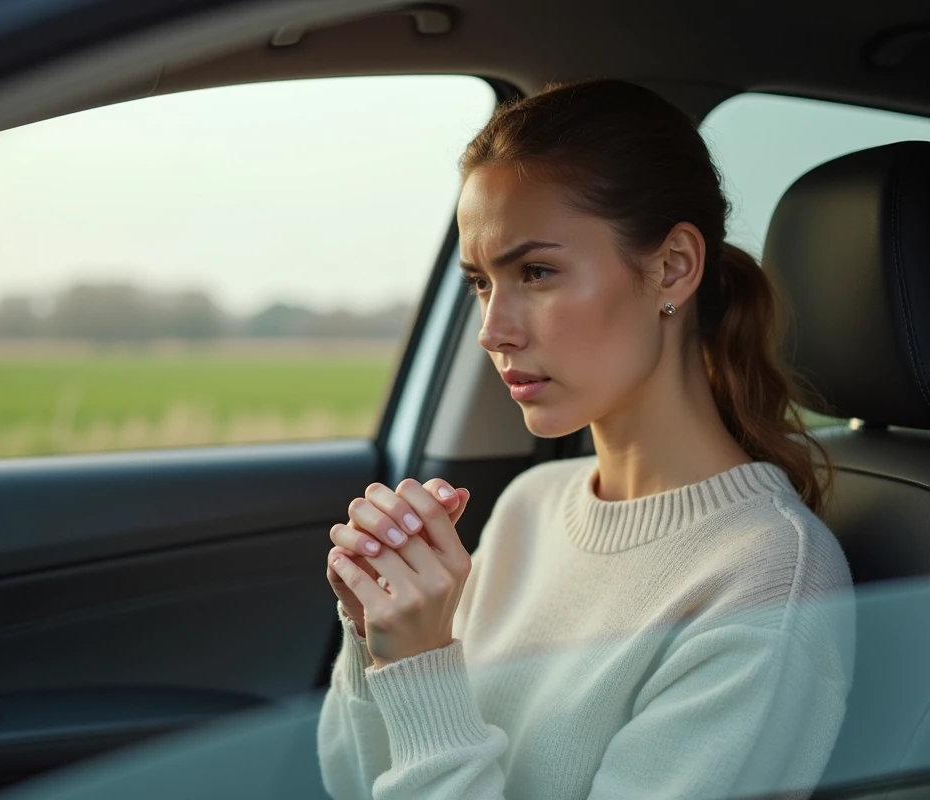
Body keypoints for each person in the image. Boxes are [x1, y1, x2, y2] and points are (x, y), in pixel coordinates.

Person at [315, 79, 855, 800]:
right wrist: (377, 637)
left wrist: (422, 664)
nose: (492, 329)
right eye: (481, 282)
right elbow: (356, 784)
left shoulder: (765, 589)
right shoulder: (528, 507)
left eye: (537, 272)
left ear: (673, 267)